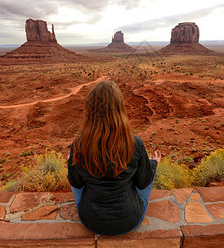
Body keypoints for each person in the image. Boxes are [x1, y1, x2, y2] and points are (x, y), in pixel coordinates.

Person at [67, 80, 161, 236]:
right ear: (119, 109)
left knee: (76, 178)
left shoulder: (78, 144)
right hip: (129, 220)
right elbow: (143, 183)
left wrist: (73, 161)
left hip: (91, 221)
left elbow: (76, 183)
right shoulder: (134, 143)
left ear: (90, 111)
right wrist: (153, 164)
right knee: (148, 173)